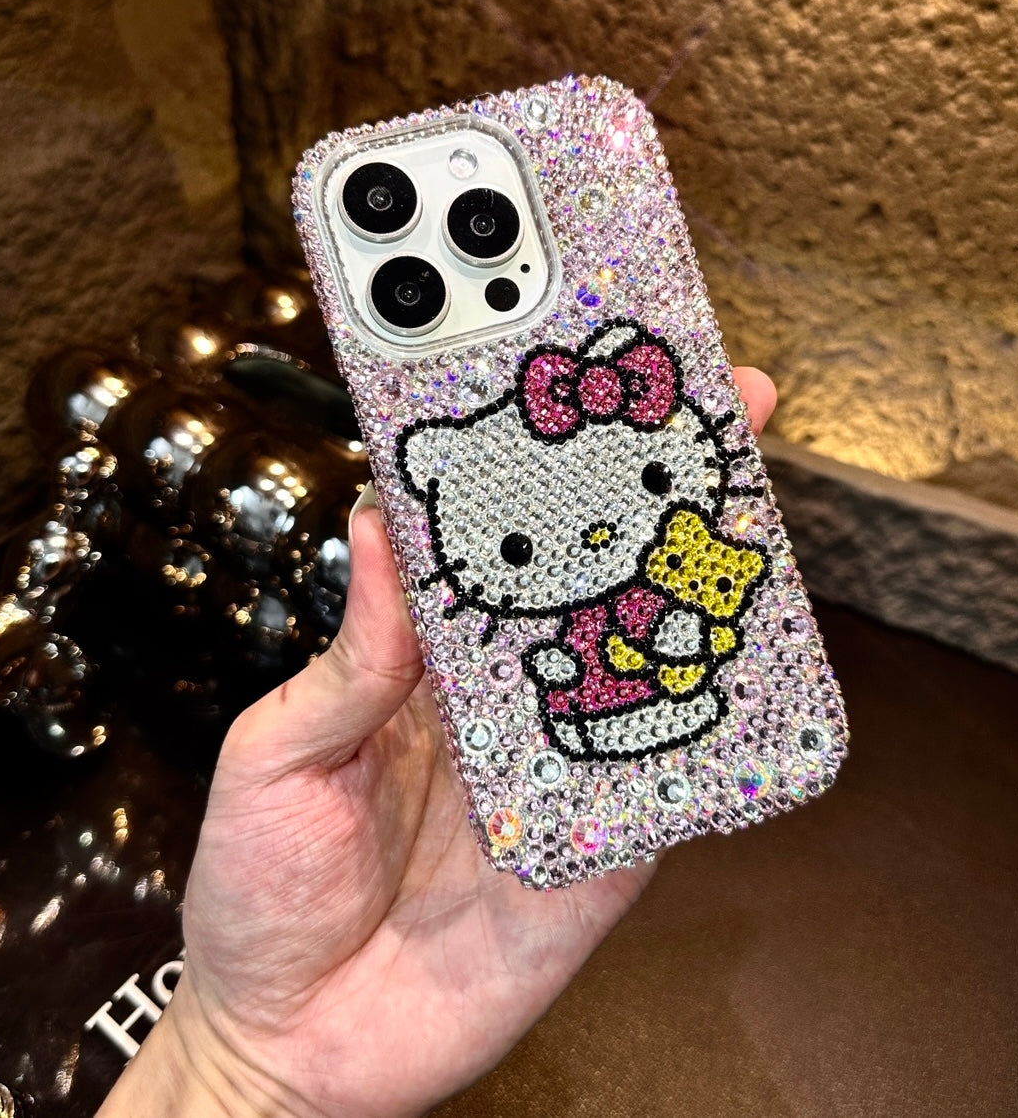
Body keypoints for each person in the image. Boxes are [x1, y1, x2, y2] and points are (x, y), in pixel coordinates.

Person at [98, 370, 779, 1118]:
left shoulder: (675, 568)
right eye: (515, 547)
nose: (596, 538)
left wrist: (234, 1064)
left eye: (651, 479)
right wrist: (238, 1060)